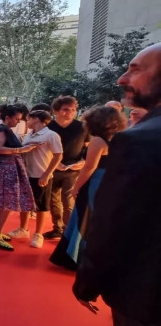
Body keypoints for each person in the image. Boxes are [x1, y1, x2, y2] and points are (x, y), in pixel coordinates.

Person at [74, 43, 161, 325]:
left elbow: (113, 222)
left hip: (145, 295)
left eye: (135, 70)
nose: (122, 79)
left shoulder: (140, 139)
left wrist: (88, 281)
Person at [50, 106, 125, 270]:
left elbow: (89, 167)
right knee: (95, 219)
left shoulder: (98, 140)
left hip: (95, 181)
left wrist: (76, 187)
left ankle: (75, 257)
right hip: (110, 181)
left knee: (83, 216)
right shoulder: (120, 138)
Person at [0, 105, 37, 251]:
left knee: (2, 202)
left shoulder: (3, 129)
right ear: (8, 117)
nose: (18, 121)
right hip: (6, 169)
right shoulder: (2, 129)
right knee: (6, 202)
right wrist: (21, 150)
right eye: (16, 118)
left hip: (9, 168)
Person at [44, 96, 88, 241]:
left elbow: (88, 148)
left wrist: (83, 161)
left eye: (73, 110)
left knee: (68, 201)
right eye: (65, 109)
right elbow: (43, 149)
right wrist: (54, 163)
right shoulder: (48, 128)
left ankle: (68, 234)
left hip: (74, 170)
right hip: (52, 169)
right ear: (56, 111)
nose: (69, 112)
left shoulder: (82, 127)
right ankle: (57, 228)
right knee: (53, 200)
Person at [19, 110, 63, 249]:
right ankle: (23, 229)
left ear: (36, 119)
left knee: (41, 205)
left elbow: (58, 156)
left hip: (41, 174)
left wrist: (46, 174)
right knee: (24, 203)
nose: (27, 122)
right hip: (27, 174)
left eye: (29, 119)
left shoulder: (51, 135)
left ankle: (38, 234)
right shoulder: (28, 135)